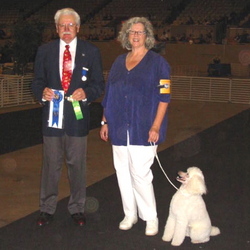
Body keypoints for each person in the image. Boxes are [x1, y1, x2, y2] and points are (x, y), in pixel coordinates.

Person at [32, 8, 104, 227]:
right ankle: (46, 208)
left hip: (78, 119)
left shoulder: (91, 52)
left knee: (77, 166)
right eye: (62, 25)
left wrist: (87, 93)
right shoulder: (44, 51)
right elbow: (36, 81)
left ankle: (77, 207)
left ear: (78, 28)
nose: (66, 29)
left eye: (70, 25)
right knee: (50, 165)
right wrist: (41, 92)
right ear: (56, 28)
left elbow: (98, 84)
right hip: (51, 120)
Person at [100, 17, 171, 236]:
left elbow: (164, 97)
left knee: (140, 173)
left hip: (144, 128)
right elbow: (110, 94)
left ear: (147, 36)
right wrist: (105, 121)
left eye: (140, 32)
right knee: (122, 172)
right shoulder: (119, 61)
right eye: (132, 32)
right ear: (126, 36)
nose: (136, 35)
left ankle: (150, 217)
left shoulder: (158, 63)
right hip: (119, 127)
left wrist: (156, 126)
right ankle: (129, 214)